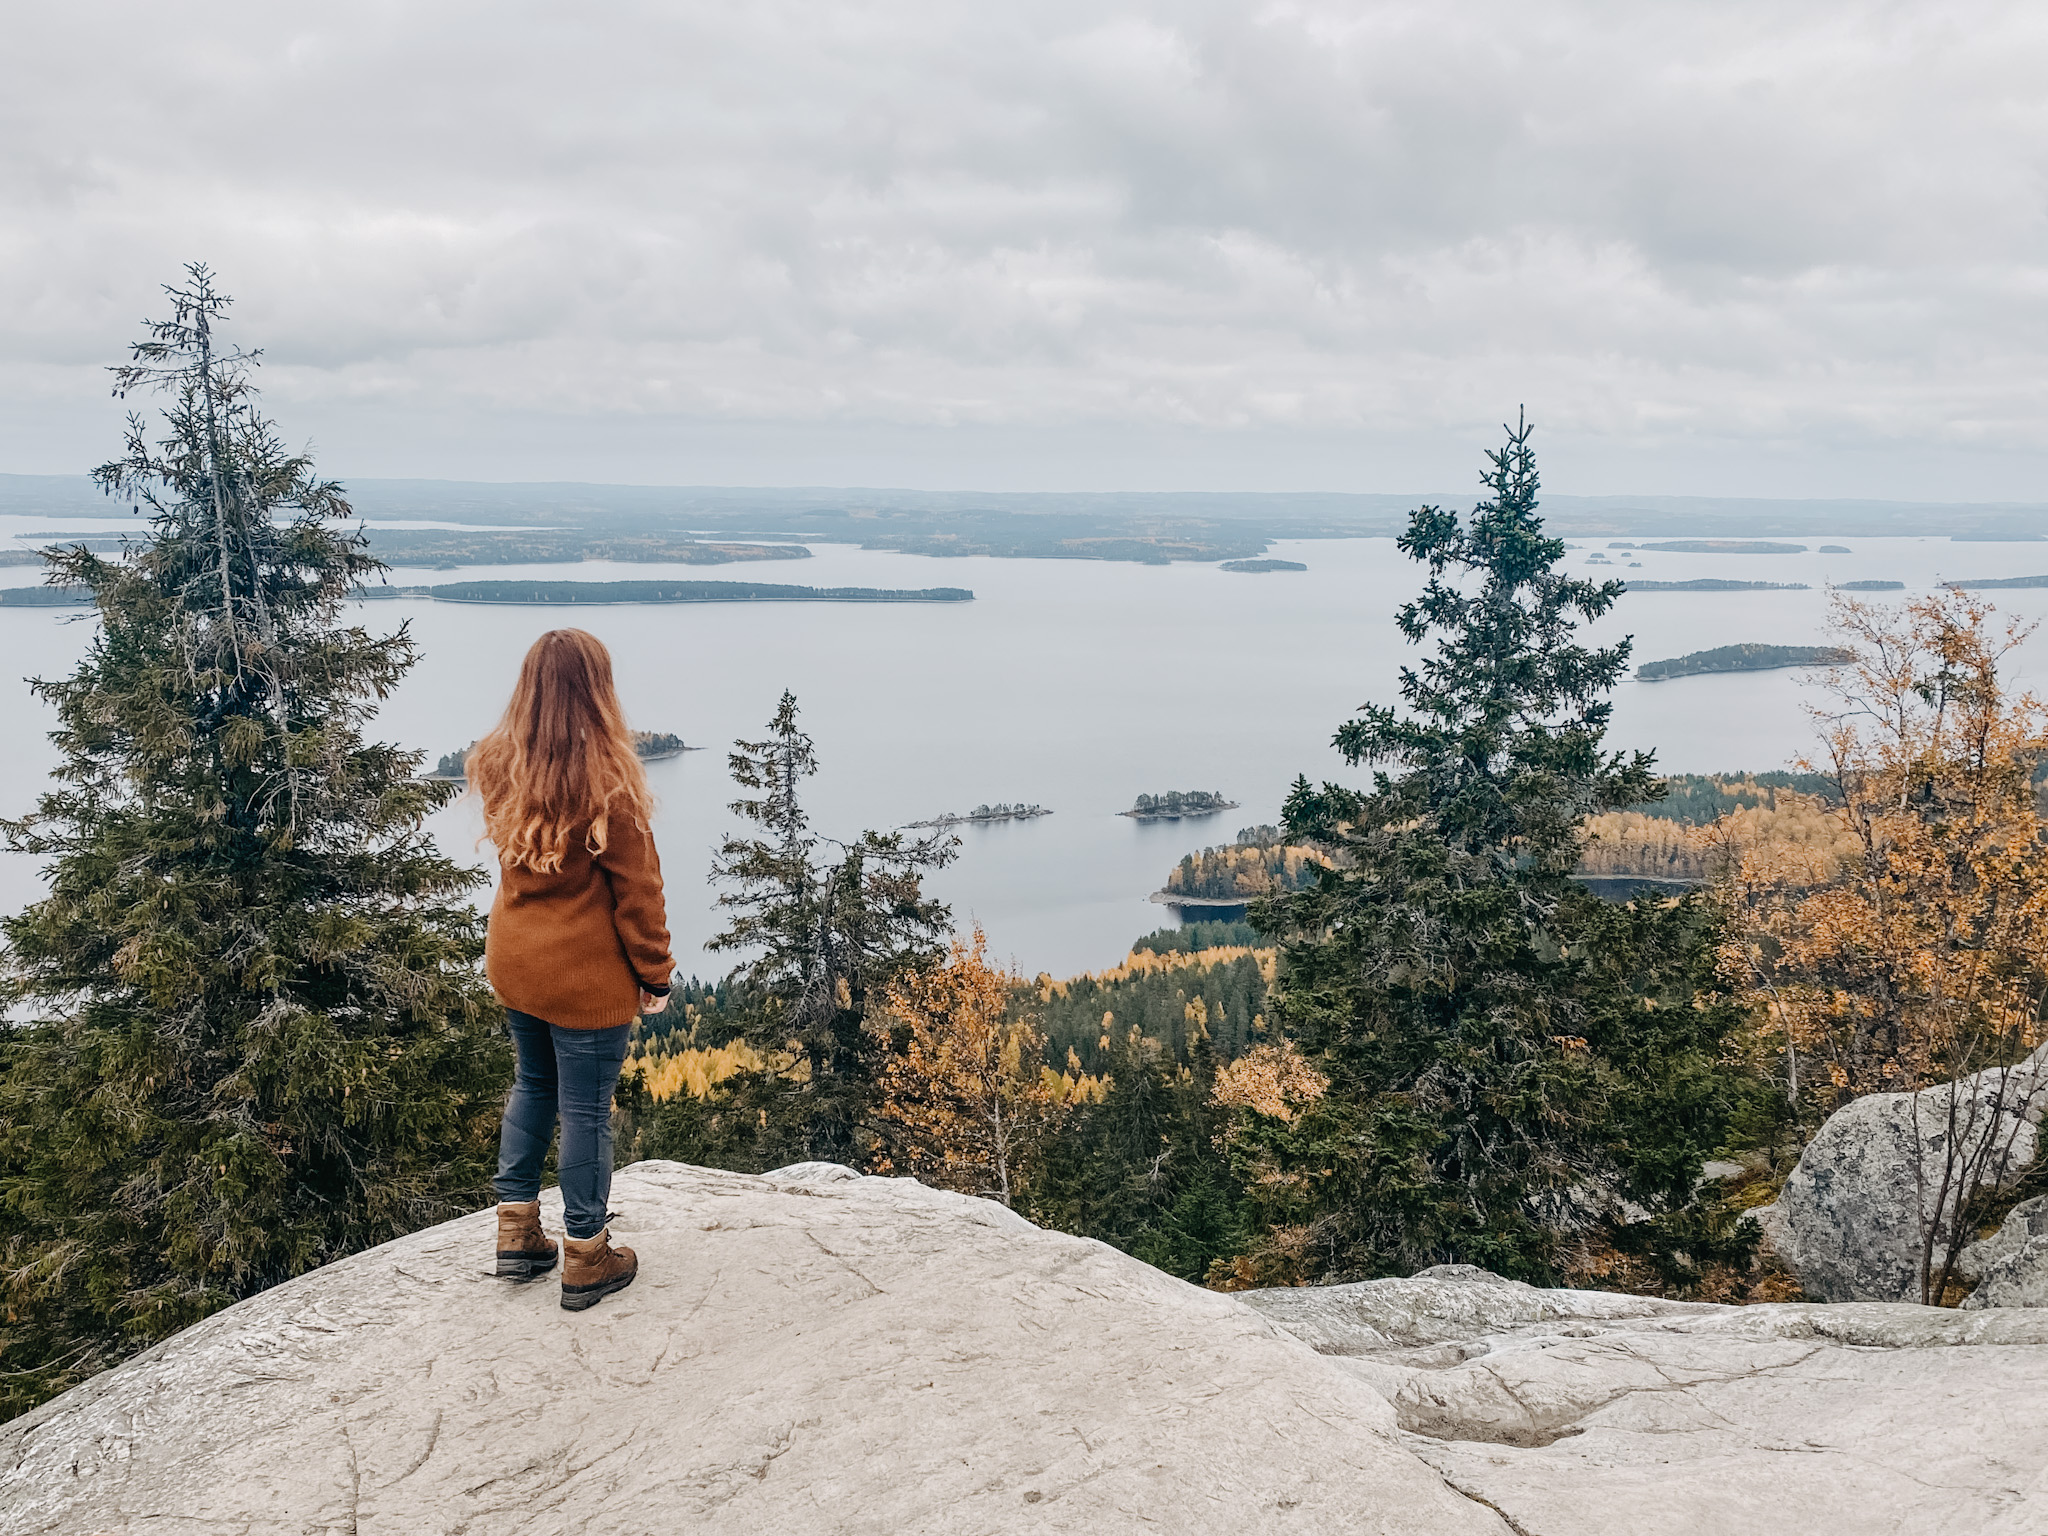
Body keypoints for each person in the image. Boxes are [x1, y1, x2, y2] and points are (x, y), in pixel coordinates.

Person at [468, 628, 675, 1311]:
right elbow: (639, 896)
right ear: (597, 690)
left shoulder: (499, 764)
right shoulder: (609, 784)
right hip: (582, 979)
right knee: (586, 1108)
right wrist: (656, 975)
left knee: (533, 1084)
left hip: (517, 963)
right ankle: (587, 1253)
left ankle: (516, 1232)